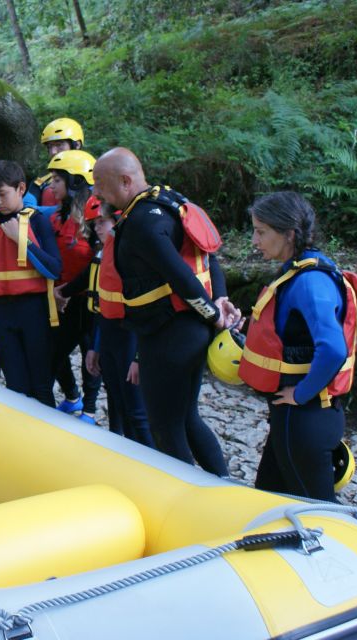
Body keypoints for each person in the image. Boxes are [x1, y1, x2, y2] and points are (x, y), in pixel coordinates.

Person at [91, 147, 237, 474]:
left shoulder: (143, 222)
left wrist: (214, 315)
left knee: (165, 427)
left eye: (100, 183)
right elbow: (209, 257)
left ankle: (190, 503)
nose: (96, 191)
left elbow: (181, 277)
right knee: (186, 416)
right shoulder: (170, 201)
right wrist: (221, 300)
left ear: (126, 181)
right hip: (180, 331)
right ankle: (224, 482)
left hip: (171, 336)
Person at [241, 192, 357, 501]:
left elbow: (333, 349)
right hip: (299, 419)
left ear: (289, 234)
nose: (254, 240)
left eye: (261, 231)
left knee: (320, 512)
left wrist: (300, 394)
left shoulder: (310, 281)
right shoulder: (300, 269)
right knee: (268, 498)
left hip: (304, 420)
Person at [0, 160, 62, 406]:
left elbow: (54, 269)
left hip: (35, 313)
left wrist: (21, 240)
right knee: (15, 388)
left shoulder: (38, 220)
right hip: (2, 315)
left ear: (21, 189)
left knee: (41, 386)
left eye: (3, 194)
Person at [74, 202, 154, 447]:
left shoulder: (132, 257)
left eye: (102, 222)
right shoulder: (103, 253)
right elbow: (104, 308)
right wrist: (96, 347)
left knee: (137, 412)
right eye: (94, 223)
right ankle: (119, 452)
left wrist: (139, 357)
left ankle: (151, 463)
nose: (97, 227)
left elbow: (147, 311)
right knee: (117, 402)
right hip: (109, 337)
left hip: (130, 339)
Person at [46, 149, 102, 420]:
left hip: (87, 301)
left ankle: (89, 411)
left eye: (57, 179)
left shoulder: (94, 222)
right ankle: (72, 397)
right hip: (61, 299)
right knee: (53, 352)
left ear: (76, 182)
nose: (51, 185)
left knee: (90, 355)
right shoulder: (56, 217)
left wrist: (65, 291)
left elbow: (97, 266)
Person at [28, 118, 84, 207]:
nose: (53, 152)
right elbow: (27, 208)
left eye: (59, 145)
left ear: (77, 145)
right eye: (50, 147)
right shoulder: (41, 183)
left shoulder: (94, 175)